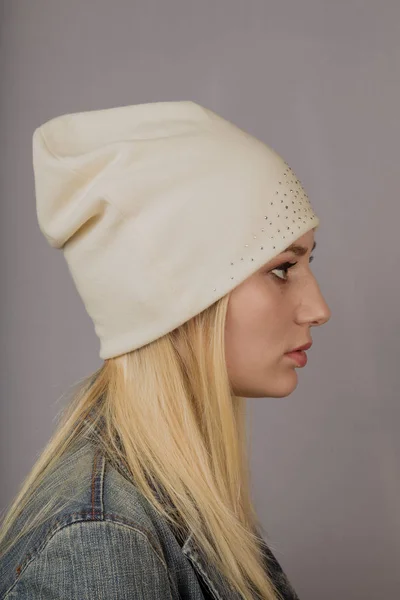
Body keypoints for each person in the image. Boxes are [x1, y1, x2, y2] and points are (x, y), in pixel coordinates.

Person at [0, 100, 331, 600]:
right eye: (282, 268)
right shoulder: (102, 542)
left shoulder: (179, 496)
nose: (318, 308)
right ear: (183, 300)